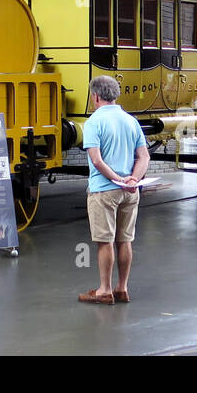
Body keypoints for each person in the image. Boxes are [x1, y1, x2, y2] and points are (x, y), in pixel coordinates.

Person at [79, 75, 149, 305]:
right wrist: (133, 180)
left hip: (104, 191)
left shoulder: (93, 123)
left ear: (95, 96)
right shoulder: (131, 121)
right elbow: (143, 156)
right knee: (125, 240)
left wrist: (118, 179)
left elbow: (97, 161)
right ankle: (122, 288)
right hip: (130, 191)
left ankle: (105, 290)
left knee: (105, 242)